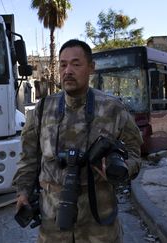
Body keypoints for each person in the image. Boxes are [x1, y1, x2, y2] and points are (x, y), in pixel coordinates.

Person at [12, 39, 143, 243]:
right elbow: (29, 157)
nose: (68, 71)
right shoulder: (43, 108)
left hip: (99, 220)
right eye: (63, 65)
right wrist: (23, 192)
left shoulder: (113, 108)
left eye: (76, 64)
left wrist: (121, 168)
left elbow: (135, 152)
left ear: (91, 68)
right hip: (53, 221)